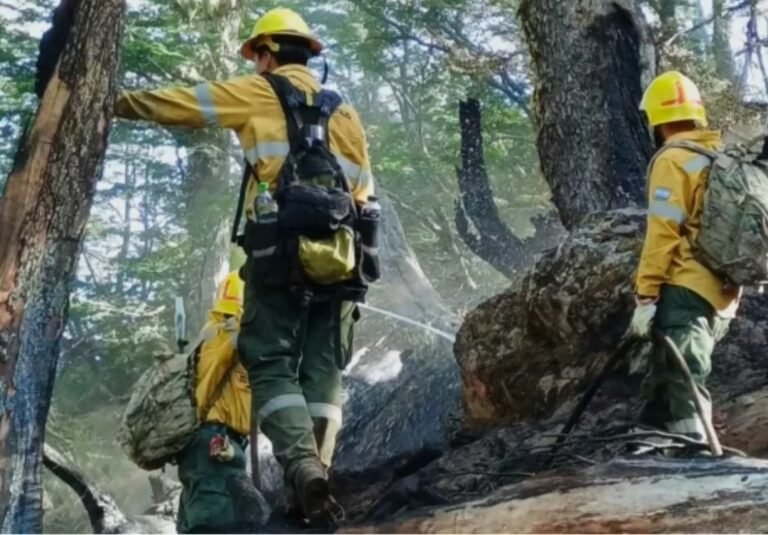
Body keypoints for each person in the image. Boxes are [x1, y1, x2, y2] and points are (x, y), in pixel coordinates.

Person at [114, 7, 374, 527]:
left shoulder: (260, 91)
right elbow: (364, 191)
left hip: (278, 256)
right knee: (323, 370)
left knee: (271, 359)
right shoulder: (345, 112)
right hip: (343, 260)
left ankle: (302, 468)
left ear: (267, 52)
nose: (255, 64)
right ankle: (317, 475)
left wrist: (113, 103)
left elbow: (187, 105)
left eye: (256, 55)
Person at [630, 70, 740, 442]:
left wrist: (646, 294)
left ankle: (695, 450)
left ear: (657, 121)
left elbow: (663, 232)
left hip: (684, 286)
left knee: (683, 370)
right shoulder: (717, 157)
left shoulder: (673, 159)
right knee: (667, 368)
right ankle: (648, 442)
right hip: (722, 289)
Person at [176, 271, 261, 534]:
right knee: (213, 525)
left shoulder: (217, 335)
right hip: (211, 443)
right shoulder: (227, 333)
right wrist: (195, 427)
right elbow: (204, 387)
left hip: (216, 445)